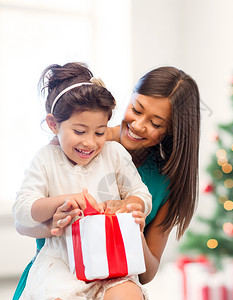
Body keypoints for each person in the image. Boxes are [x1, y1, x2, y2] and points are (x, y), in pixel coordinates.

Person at [13, 65, 201, 299]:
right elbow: (22, 219)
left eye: (156, 123)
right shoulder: (68, 145)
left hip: (114, 275)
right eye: (136, 109)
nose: (139, 125)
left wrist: (132, 224)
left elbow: (147, 272)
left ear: (172, 130)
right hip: (57, 272)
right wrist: (57, 224)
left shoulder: (157, 179)